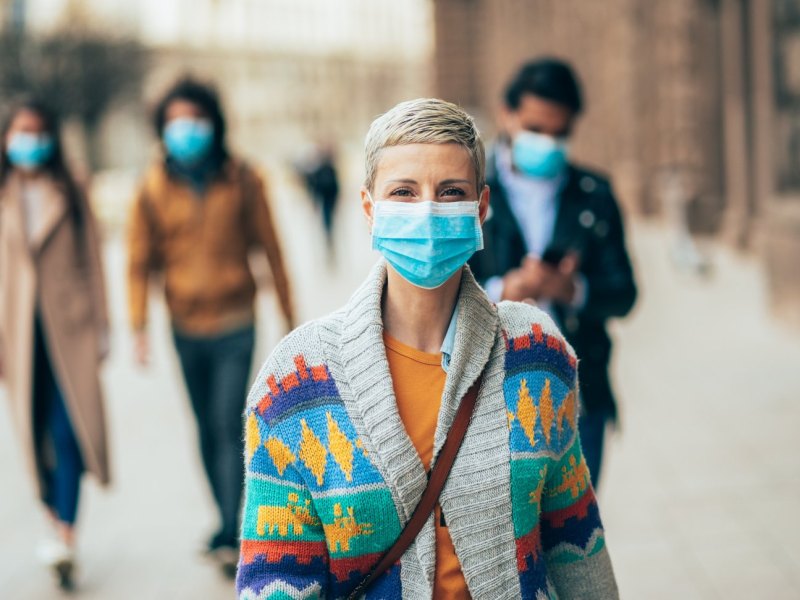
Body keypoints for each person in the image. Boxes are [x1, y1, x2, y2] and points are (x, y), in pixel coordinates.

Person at [237, 98, 618, 599]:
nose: (429, 211)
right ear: (369, 207)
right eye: (403, 192)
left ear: (481, 208)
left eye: (451, 192)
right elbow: (274, 579)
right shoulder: (297, 382)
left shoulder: (535, 353)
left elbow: (575, 542)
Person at [127, 79, 295, 576]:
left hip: (236, 321)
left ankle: (234, 529)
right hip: (184, 324)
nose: (186, 131)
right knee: (204, 427)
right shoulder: (152, 187)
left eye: (195, 120)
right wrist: (137, 326)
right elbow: (138, 261)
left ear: (214, 123)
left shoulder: (243, 177)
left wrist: (290, 316)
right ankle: (226, 521)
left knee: (228, 423)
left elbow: (272, 247)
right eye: (176, 121)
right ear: (162, 128)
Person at [469, 58, 637, 488]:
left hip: (581, 395)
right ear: (507, 115)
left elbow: (625, 292)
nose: (547, 142)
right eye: (535, 129)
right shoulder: (469, 192)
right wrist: (504, 289)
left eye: (559, 133)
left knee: (577, 537)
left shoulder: (594, 195)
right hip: (498, 399)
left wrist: (571, 288)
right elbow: (445, 289)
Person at [0, 98, 110, 590]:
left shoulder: (71, 186)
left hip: (69, 329)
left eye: (38, 132)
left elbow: (93, 258)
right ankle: (54, 522)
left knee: (70, 434)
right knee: (36, 438)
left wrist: (103, 324)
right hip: (16, 335)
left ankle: (64, 535)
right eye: (21, 133)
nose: (30, 142)